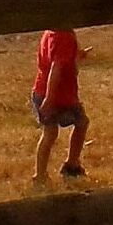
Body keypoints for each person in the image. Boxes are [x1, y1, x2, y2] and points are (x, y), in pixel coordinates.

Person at [31, 26, 88, 180]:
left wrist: (76, 57)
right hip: (58, 95)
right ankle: (68, 166)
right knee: (73, 125)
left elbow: (57, 59)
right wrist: (50, 99)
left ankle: (45, 172)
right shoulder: (64, 36)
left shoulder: (51, 32)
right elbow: (56, 69)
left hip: (47, 91)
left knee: (52, 133)